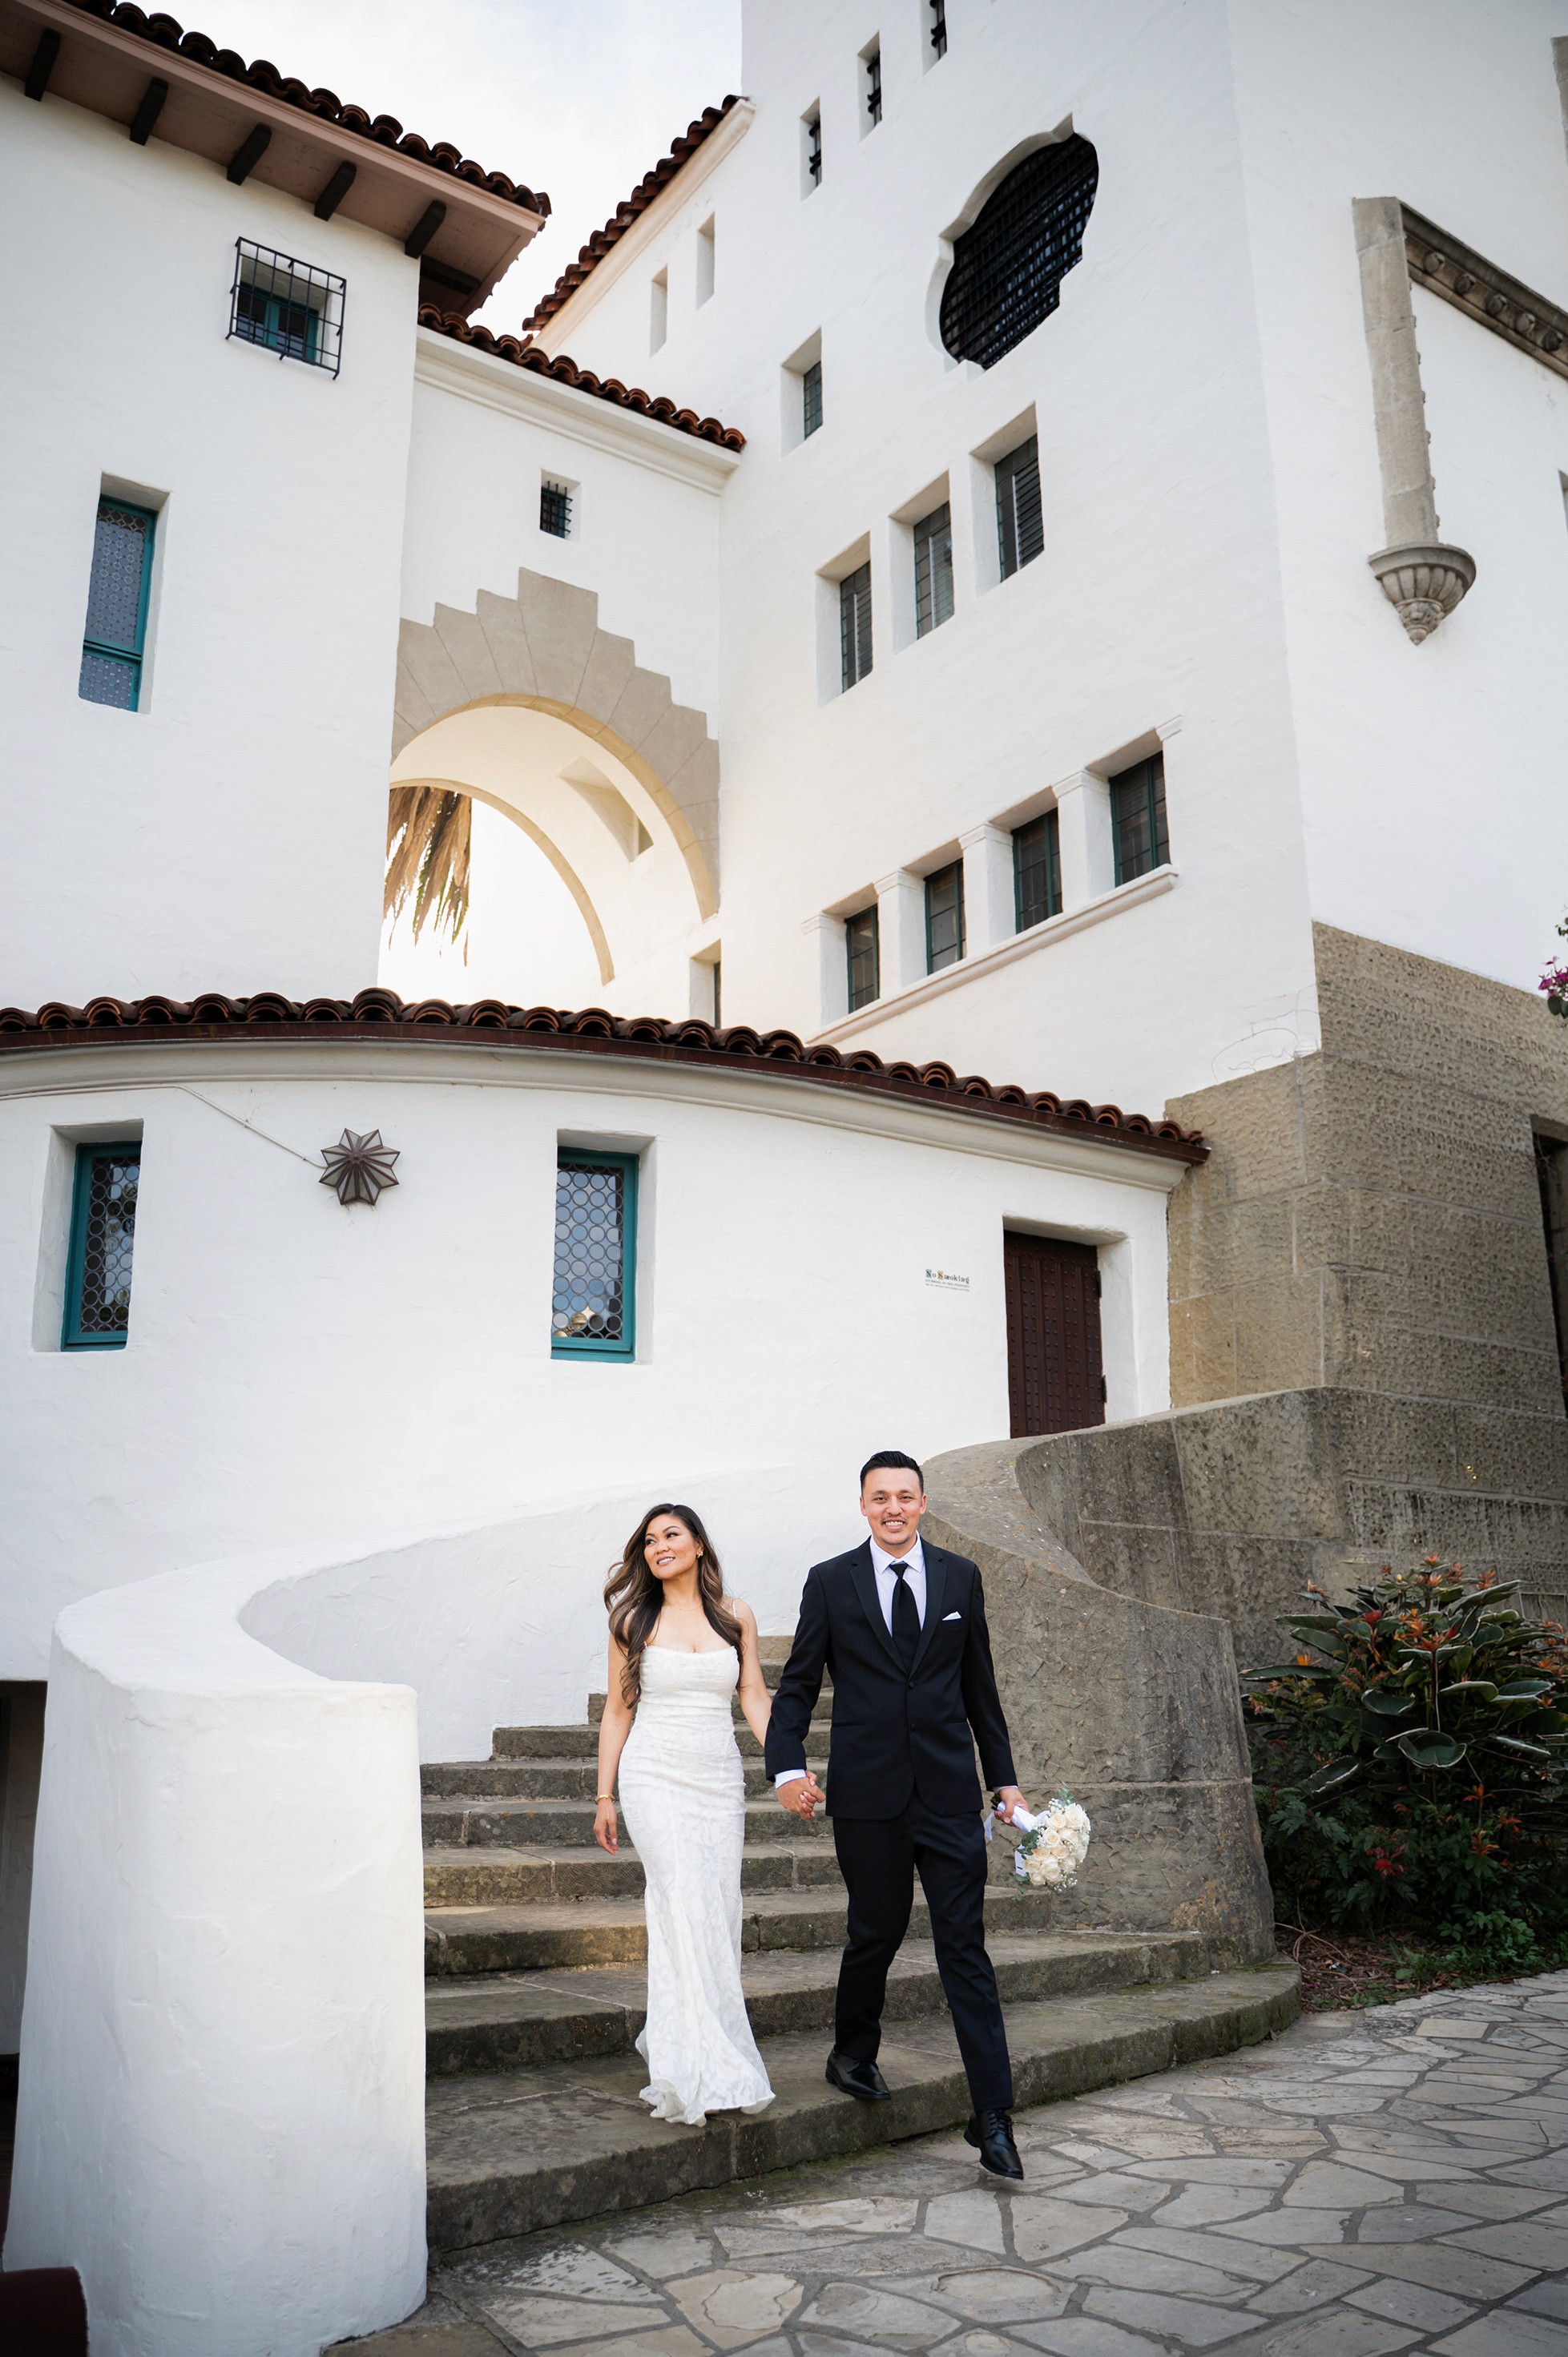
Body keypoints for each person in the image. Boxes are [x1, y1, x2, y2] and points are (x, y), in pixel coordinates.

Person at [764, 1450, 1030, 2180]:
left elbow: (981, 1690)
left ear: (922, 1503)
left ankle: (993, 2116)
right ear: (861, 1504)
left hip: (947, 1798)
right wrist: (786, 1766)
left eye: (904, 1497)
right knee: (873, 1933)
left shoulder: (959, 1577)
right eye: (879, 1497)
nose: (892, 1507)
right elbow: (796, 1686)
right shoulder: (829, 1582)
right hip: (868, 1799)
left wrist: (1002, 1781)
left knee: (964, 1951)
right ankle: (851, 2053)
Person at [593, 1502, 775, 2126]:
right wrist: (604, 1795)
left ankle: (705, 2042)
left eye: (671, 1535)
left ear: (698, 1543)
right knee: (682, 1900)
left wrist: (786, 1766)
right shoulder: (631, 1619)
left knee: (717, 1907)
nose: (658, 1546)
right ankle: (691, 2065)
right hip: (654, 1775)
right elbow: (619, 1712)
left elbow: (752, 1694)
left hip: (717, 1779)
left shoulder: (735, 1615)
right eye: (649, 1540)